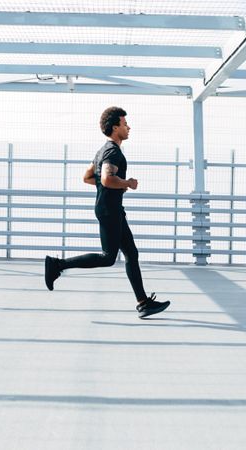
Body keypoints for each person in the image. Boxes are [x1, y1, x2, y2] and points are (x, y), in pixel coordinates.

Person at [44, 106, 170, 318]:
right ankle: (57, 265)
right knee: (108, 257)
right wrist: (126, 183)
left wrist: (111, 185)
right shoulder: (112, 152)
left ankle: (143, 303)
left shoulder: (101, 151)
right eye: (124, 123)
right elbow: (105, 179)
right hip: (109, 210)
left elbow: (87, 177)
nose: (128, 127)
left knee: (131, 253)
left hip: (111, 208)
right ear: (115, 128)